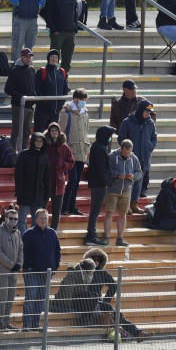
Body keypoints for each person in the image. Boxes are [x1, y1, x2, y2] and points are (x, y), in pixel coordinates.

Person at [21, 209, 61, 330]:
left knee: (41, 299)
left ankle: (36, 324)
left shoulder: (52, 233)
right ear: (36, 219)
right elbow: (22, 252)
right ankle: (26, 325)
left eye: (45, 218)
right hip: (31, 272)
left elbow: (57, 252)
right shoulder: (28, 234)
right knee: (31, 297)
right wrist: (27, 266)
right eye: (41, 218)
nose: (43, 220)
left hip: (47, 273)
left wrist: (55, 267)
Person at [58, 88, 90, 216]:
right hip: (71, 153)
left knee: (76, 183)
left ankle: (72, 207)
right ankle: (64, 206)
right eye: (82, 100)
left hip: (82, 153)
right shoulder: (66, 114)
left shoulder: (85, 115)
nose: (84, 102)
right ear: (76, 99)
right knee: (72, 181)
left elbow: (85, 132)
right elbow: (60, 132)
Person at [0, 206, 24, 331]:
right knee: (3, 295)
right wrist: (12, 265)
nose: (13, 221)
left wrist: (19, 263)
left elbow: (21, 249)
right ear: (6, 219)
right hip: (3, 270)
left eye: (15, 219)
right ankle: (0, 323)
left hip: (14, 271)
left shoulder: (18, 233)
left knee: (10, 296)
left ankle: (7, 321)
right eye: (10, 218)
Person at [41, 0, 79, 73]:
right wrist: (54, 29)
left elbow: (75, 13)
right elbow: (47, 14)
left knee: (67, 60)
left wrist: (75, 28)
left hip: (70, 33)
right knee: (53, 59)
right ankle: (51, 78)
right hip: (58, 33)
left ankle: (64, 81)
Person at [84, 126, 115, 246]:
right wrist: (107, 181)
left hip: (97, 183)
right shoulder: (100, 148)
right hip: (99, 184)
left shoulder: (98, 146)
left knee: (95, 210)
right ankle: (91, 235)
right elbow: (101, 169)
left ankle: (91, 234)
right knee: (95, 210)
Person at [14, 132, 50, 234]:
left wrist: (47, 195)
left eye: (41, 141)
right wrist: (18, 192)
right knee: (22, 220)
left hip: (38, 194)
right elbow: (18, 175)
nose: (39, 143)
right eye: (37, 141)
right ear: (32, 141)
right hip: (24, 192)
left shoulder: (44, 156)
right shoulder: (24, 154)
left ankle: (33, 240)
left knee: (36, 220)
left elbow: (47, 177)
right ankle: (22, 241)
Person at [42, 122, 74, 232]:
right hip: (45, 181)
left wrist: (63, 165)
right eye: (52, 130)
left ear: (59, 132)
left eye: (56, 130)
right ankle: (42, 229)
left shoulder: (64, 147)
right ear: (49, 132)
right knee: (42, 209)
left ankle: (53, 232)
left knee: (56, 211)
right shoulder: (44, 145)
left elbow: (71, 162)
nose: (54, 132)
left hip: (59, 183)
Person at [5, 48, 36, 150]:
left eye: (30, 57)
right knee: (16, 131)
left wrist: (34, 98)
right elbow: (8, 89)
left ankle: (23, 152)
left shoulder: (32, 70)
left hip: (29, 106)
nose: (29, 59)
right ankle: (13, 153)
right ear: (21, 57)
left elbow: (33, 87)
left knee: (27, 131)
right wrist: (21, 97)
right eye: (27, 57)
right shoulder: (15, 70)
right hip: (18, 106)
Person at [34, 48, 69, 132]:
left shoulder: (62, 72)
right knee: (40, 135)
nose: (54, 59)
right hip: (42, 111)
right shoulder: (41, 71)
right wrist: (43, 103)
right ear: (48, 58)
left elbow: (65, 89)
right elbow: (36, 89)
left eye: (56, 57)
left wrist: (61, 103)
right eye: (52, 57)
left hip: (56, 112)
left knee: (53, 137)